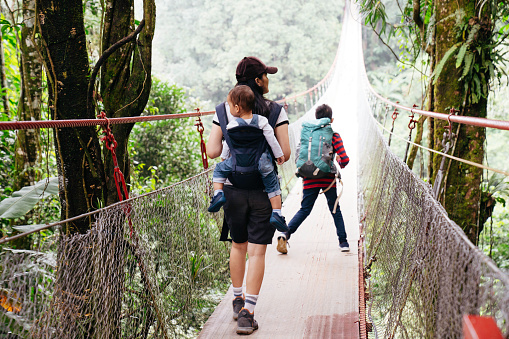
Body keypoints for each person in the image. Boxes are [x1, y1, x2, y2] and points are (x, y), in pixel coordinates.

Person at [206, 56, 291, 335]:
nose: (268, 80)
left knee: (237, 246)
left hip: (231, 189)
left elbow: (213, 152)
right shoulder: (275, 111)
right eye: (265, 76)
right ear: (257, 80)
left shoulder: (223, 109)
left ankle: (237, 299)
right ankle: (248, 313)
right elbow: (285, 154)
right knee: (256, 252)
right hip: (262, 191)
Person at [207, 85, 289, 232]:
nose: (229, 109)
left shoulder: (231, 125)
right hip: (261, 161)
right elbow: (271, 140)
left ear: (237, 108)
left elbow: (228, 144)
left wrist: (225, 157)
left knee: (219, 171)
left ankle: (218, 194)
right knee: (272, 184)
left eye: (230, 106)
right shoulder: (263, 121)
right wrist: (278, 155)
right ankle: (277, 213)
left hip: (237, 162)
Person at [276, 104, 350, 255]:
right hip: (328, 179)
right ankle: (343, 242)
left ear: (316, 119)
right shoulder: (333, 135)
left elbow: (300, 155)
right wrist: (340, 164)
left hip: (309, 178)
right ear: (331, 119)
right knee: (335, 209)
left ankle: (286, 234)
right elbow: (344, 158)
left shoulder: (307, 134)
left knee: (304, 210)